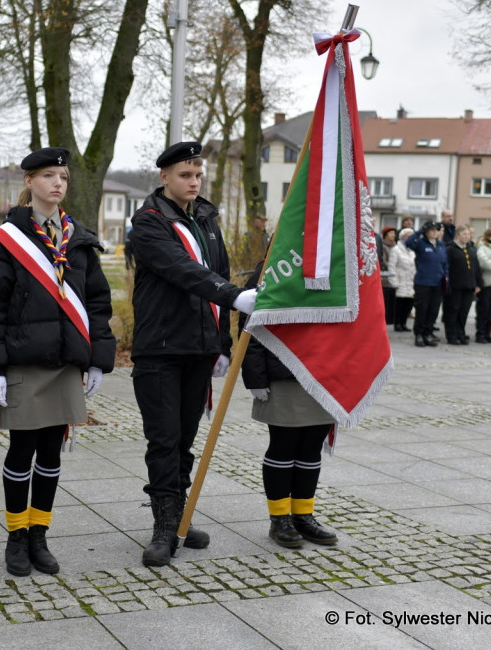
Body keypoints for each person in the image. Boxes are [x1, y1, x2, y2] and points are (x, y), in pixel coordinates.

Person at [0, 147, 115, 576]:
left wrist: (97, 361)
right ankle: (15, 536)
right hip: (24, 362)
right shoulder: (7, 241)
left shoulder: (78, 239)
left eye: (63, 178)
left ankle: (39, 534)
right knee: (21, 451)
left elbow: (97, 305)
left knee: (52, 453)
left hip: (66, 362)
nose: (57, 184)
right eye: (48, 175)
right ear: (29, 182)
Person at [128, 141, 256, 567]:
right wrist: (234, 295)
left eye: (198, 174)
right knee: (162, 440)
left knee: (184, 440)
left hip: (198, 348)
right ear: (164, 177)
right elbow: (184, 271)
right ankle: (163, 527)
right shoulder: (148, 223)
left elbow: (215, 277)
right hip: (160, 349)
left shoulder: (207, 219)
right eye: (185, 174)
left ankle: (179, 517)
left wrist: (220, 344)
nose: (193, 181)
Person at [239, 262, 337, 549]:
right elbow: (251, 321)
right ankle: (279, 518)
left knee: (311, 446)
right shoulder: (277, 260)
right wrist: (255, 375)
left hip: (322, 373)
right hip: (283, 370)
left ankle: (303, 515)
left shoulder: (333, 263)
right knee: (284, 444)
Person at [405, 221, 448, 347]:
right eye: (432, 230)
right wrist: (419, 231)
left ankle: (428, 333)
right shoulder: (420, 243)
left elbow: (445, 263)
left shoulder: (441, 245)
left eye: (437, 230)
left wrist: (446, 276)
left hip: (438, 282)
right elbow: (408, 243)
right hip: (423, 282)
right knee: (422, 309)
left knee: (433, 310)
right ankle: (419, 334)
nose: (435, 232)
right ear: (426, 231)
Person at [442, 224, 480, 345]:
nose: (467, 236)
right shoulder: (450, 249)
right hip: (455, 287)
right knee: (453, 312)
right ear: (458, 235)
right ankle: (451, 335)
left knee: (464, 312)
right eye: (464, 234)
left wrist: (478, 283)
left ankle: (461, 333)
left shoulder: (471, 249)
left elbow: (476, 268)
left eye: (468, 234)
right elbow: (447, 268)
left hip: (468, 286)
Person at [387, 228, 416, 332]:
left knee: (408, 304)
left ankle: (404, 323)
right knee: (399, 304)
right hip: (400, 280)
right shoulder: (396, 249)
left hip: (411, 281)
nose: (410, 238)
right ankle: (397, 324)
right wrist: (394, 281)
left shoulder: (412, 250)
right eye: (408, 236)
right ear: (403, 237)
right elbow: (392, 266)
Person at [380, 227, 398, 326]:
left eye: (394, 233)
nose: (393, 235)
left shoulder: (395, 245)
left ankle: (390, 319)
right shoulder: (383, 246)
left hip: (394, 274)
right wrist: (392, 266)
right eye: (391, 233)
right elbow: (384, 260)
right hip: (386, 276)